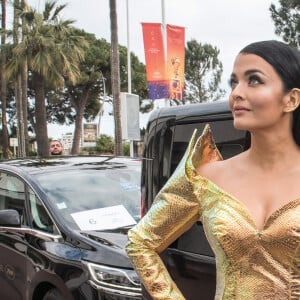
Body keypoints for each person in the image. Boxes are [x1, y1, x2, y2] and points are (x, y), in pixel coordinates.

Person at [126, 40, 300, 299]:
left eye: (253, 80)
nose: (236, 93)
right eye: (234, 82)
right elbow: (141, 243)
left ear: (291, 99)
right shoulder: (205, 176)